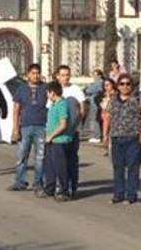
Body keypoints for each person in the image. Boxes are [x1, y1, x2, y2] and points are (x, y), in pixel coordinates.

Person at [103, 73, 141, 204]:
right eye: (122, 84)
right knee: (118, 167)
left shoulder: (139, 98)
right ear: (118, 86)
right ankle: (118, 194)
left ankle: (131, 195)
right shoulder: (113, 100)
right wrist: (105, 135)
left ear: (132, 85)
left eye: (128, 84)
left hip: (133, 138)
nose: (125, 86)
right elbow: (107, 117)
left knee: (132, 167)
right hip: (116, 137)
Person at [11, 63, 48, 192]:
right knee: (22, 156)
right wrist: (15, 128)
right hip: (25, 126)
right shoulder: (21, 89)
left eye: (38, 73)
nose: (35, 76)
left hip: (42, 126)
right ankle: (20, 182)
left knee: (40, 157)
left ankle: (38, 182)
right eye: (33, 73)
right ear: (28, 75)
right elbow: (16, 110)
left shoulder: (45, 88)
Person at [51, 65, 86, 198]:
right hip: (57, 134)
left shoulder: (75, 90)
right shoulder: (54, 90)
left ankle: (72, 187)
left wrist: (75, 126)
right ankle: (59, 187)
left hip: (72, 132)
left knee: (72, 160)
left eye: (67, 75)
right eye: (63, 75)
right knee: (59, 162)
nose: (65, 77)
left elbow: (82, 110)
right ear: (57, 76)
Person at [43, 81, 76, 202]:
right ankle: (49, 188)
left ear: (52, 93)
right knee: (50, 167)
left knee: (61, 168)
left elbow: (63, 124)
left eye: (48, 93)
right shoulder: (53, 105)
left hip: (60, 141)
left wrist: (51, 136)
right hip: (52, 141)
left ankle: (64, 191)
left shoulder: (62, 104)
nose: (47, 95)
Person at [84, 69, 107, 144]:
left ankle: (96, 136)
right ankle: (97, 135)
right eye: (93, 75)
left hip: (95, 103)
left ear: (99, 75)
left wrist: (88, 87)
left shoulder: (98, 82)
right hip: (96, 102)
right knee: (96, 119)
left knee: (94, 119)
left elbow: (88, 90)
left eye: (95, 75)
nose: (94, 76)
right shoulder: (100, 82)